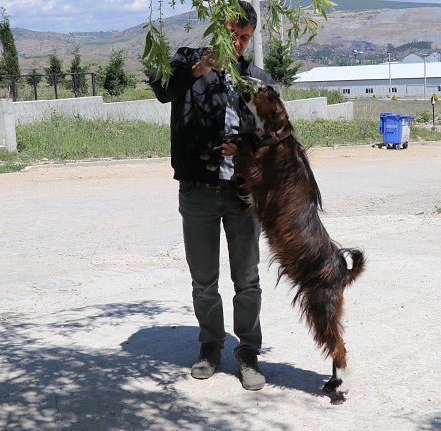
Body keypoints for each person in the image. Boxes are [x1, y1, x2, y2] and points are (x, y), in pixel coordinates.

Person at [150, 1, 274, 391]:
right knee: (203, 281)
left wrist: (246, 149)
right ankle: (210, 346)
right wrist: (198, 68)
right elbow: (160, 89)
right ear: (219, 29)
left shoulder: (256, 78)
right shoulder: (188, 62)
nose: (238, 43)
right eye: (234, 35)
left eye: (245, 38)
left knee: (248, 280)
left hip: (241, 197)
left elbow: (272, 137)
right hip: (197, 193)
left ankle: (248, 352)